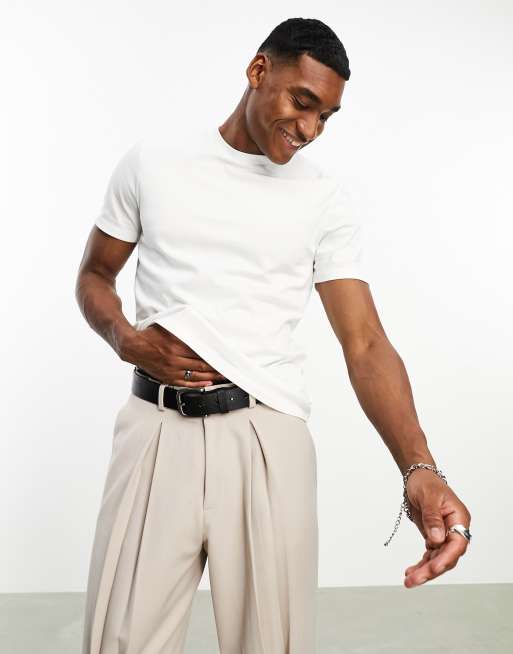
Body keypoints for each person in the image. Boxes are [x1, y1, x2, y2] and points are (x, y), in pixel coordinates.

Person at [76, 17, 472, 654]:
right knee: (119, 641)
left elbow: (365, 342)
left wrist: (419, 468)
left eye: (326, 117)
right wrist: (124, 337)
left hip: (266, 436)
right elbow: (95, 275)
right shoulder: (153, 163)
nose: (309, 129)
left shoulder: (323, 198)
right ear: (259, 70)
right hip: (154, 429)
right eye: (302, 102)